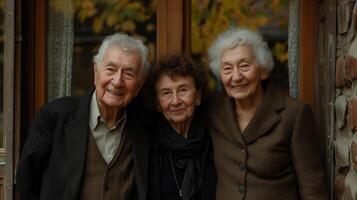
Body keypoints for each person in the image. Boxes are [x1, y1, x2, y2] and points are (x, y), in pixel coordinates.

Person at [17, 33, 151, 200]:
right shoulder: (55, 117)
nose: (117, 81)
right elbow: (27, 181)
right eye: (111, 69)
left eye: (129, 73)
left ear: (139, 85)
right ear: (96, 71)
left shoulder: (147, 125)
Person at [206, 27, 329, 200]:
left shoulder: (294, 114)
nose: (236, 77)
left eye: (244, 66)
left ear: (263, 70)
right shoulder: (213, 110)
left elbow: (313, 188)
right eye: (227, 69)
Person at [147, 55, 216, 200]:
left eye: (183, 90)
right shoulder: (147, 142)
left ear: (197, 96)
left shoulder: (214, 138)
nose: (175, 101)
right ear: (158, 102)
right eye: (166, 93)